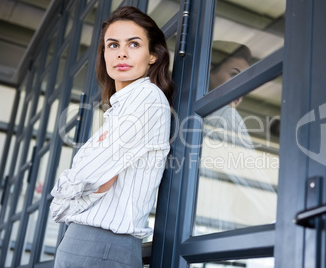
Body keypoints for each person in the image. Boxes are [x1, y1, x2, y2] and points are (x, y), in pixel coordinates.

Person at [50, 6, 174, 267]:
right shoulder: (121, 107)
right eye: (113, 45)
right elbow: (94, 176)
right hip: (90, 244)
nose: (122, 53)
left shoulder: (147, 98)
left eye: (134, 44)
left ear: (153, 55)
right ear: (104, 53)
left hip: (103, 246)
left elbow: (95, 174)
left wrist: (64, 201)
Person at [197, 41, 277, 234]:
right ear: (207, 71)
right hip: (208, 231)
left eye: (246, 84)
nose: (241, 90)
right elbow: (256, 183)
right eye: (234, 76)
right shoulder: (223, 113)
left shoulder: (183, 114)